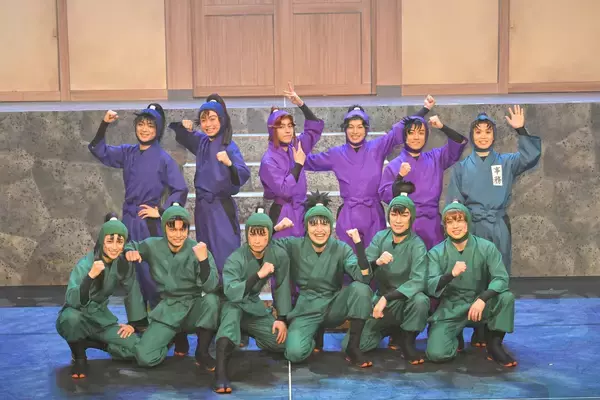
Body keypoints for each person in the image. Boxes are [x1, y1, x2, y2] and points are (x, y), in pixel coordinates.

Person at [304, 96, 435, 253]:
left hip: (374, 215)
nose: (355, 132)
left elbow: (399, 130)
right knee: (349, 258)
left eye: (360, 127)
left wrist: (424, 110)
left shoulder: (377, 147)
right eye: (351, 127)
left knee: (375, 257)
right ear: (345, 129)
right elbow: (307, 161)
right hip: (349, 215)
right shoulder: (336, 154)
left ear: (366, 129)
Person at [88, 105, 188, 308]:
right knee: (130, 272)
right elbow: (99, 150)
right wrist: (104, 124)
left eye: (150, 125)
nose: (144, 129)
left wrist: (161, 211)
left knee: (151, 272)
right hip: (129, 220)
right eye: (141, 124)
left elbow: (180, 189)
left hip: (147, 223)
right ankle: (137, 317)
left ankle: (160, 315)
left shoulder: (164, 159)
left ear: (158, 129)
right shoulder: (128, 152)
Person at [273, 192, 374, 367]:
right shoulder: (294, 245)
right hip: (307, 308)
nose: (319, 229)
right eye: (314, 224)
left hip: (333, 306)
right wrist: (276, 229)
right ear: (306, 226)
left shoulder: (341, 248)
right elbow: (262, 247)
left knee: (361, 289)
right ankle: (313, 336)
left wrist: (358, 245)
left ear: (330, 226)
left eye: (324, 223)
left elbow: (363, 277)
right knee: (294, 353)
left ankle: (353, 347)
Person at [446, 105, 542, 274]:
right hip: (472, 227)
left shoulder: (506, 162)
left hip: (497, 224)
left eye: (488, 132)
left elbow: (530, 157)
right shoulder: (461, 168)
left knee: (499, 269)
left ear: (494, 136)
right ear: (472, 135)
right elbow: (455, 204)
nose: (483, 136)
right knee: (473, 271)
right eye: (478, 132)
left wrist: (520, 129)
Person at [124, 204, 221, 370]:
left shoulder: (198, 249)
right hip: (168, 310)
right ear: (164, 228)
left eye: (182, 229)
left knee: (212, 301)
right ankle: (174, 336)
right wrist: (129, 251)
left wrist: (203, 261)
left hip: (193, 307)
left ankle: (202, 352)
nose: (178, 235)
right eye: (172, 229)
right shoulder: (152, 245)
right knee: (145, 356)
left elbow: (211, 286)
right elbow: (132, 245)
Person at [343, 183, 429, 364]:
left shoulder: (418, 245)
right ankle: (386, 329)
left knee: (421, 300)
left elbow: (418, 281)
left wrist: (387, 298)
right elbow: (364, 275)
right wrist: (376, 262)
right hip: (381, 304)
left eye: (404, 215)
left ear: (411, 217)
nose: (398, 220)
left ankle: (407, 341)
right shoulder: (380, 238)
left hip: (404, 302)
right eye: (394, 214)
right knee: (353, 345)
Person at [425, 202, 517, 367]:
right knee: (437, 354)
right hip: (451, 307)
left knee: (506, 298)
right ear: (445, 227)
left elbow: (501, 278)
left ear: (467, 223)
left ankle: (494, 344)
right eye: (450, 222)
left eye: (459, 220)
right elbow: (430, 284)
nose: (455, 226)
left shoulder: (486, 248)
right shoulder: (436, 253)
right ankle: (454, 334)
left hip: (480, 304)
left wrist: (483, 299)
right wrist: (450, 275)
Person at [56, 213, 147, 379]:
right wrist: (90, 276)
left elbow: (133, 289)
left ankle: (93, 343)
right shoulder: (86, 264)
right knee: (70, 319)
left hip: (101, 319)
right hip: (80, 315)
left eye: (119, 241)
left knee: (137, 350)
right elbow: (72, 299)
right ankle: (79, 354)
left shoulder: (122, 263)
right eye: (110, 241)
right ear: (102, 241)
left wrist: (133, 324)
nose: (114, 246)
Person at [213, 209, 293, 394]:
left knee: (281, 343)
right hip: (231, 303)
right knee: (231, 318)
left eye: (262, 234)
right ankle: (220, 372)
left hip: (252, 306)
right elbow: (231, 293)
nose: (257, 240)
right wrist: (258, 275)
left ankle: (246, 330)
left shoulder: (278, 254)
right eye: (252, 234)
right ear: (247, 235)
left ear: (269, 235)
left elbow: (282, 286)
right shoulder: (235, 258)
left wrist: (281, 318)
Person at [168, 97, 250, 276]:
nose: (208, 124)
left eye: (212, 119)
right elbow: (182, 134)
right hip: (203, 209)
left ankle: (227, 289)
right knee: (206, 253)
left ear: (221, 119)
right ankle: (210, 288)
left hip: (220, 208)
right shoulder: (202, 142)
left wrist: (229, 164)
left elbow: (243, 173)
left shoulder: (229, 146)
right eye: (204, 120)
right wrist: (185, 126)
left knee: (225, 252)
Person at [379, 113, 467, 250]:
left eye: (421, 133)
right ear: (405, 136)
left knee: (435, 261)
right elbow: (385, 195)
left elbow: (458, 142)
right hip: (407, 226)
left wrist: (442, 127)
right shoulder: (394, 165)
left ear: (426, 136)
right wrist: (399, 177)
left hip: (433, 226)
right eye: (411, 133)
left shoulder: (436, 158)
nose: (416, 137)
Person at [259, 83, 324, 238]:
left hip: (302, 212)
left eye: (290, 125)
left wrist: (301, 104)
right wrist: (299, 164)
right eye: (281, 127)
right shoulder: (268, 161)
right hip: (283, 214)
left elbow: (315, 129)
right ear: (273, 130)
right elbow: (284, 190)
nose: (288, 130)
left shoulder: (296, 145)